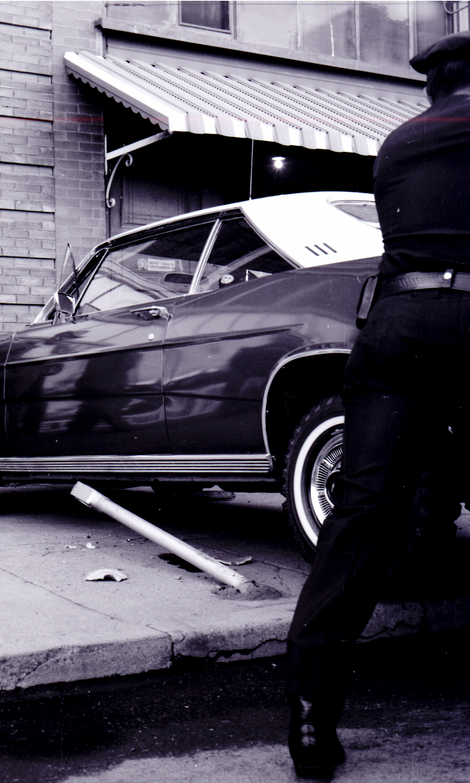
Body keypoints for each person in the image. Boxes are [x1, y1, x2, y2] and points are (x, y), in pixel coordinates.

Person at [285, 31, 470, 780]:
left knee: (360, 517)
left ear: (432, 86)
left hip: (396, 327)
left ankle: (309, 719)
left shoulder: (397, 144)